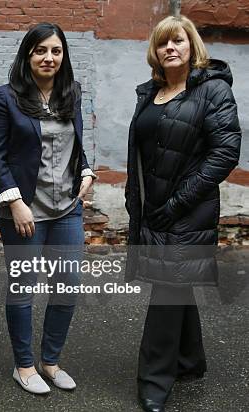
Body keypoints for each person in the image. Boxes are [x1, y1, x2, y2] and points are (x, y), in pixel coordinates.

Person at [124, 15, 241, 412]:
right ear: (155, 53)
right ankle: (190, 361)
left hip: (187, 209)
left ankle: (154, 380)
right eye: (162, 43)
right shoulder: (150, 93)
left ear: (192, 46)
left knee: (167, 286)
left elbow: (224, 153)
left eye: (178, 41)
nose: (170, 48)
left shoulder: (212, 91)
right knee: (175, 281)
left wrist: (177, 203)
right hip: (153, 208)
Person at [0, 22, 96, 395]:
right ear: (27, 55)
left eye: (56, 51)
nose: (49, 57)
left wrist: (86, 172)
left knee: (67, 287)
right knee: (23, 289)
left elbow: (76, 146)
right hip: (25, 213)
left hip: (67, 209)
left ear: (63, 56)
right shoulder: (5, 97)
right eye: (40, 50)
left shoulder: (72, 94)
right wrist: (15, 203)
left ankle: (50, 361)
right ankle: (24, 365)